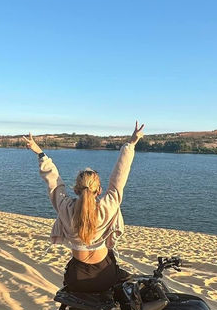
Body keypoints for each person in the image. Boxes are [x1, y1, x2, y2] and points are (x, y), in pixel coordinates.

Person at [24, 121, 145, 293]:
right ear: (99, 190)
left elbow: (54, 180)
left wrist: (40, 153)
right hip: (105, 276)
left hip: (77, 277)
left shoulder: (65, 207)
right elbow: (119, 177)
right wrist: (131, 144)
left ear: (75, 189)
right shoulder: (107, 207)